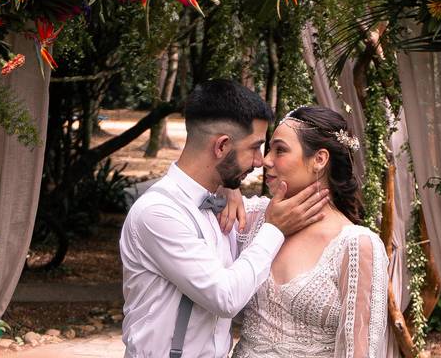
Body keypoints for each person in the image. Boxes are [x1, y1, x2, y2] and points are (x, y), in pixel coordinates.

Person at [120, 80, 329, 358]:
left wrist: (231, 187)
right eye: (255, 148)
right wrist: (274, 229)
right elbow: (226, 297)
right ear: (221, 147)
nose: (260, 161)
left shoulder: (223, 205)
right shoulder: (158, 213)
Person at [229, 105, 389, 358]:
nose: (266, 160)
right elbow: (191, 192)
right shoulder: (253, 217)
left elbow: (360, 352)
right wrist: (228, 187)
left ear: (319, 159)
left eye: (280, 150)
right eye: (269, 149)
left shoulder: (357, 246)